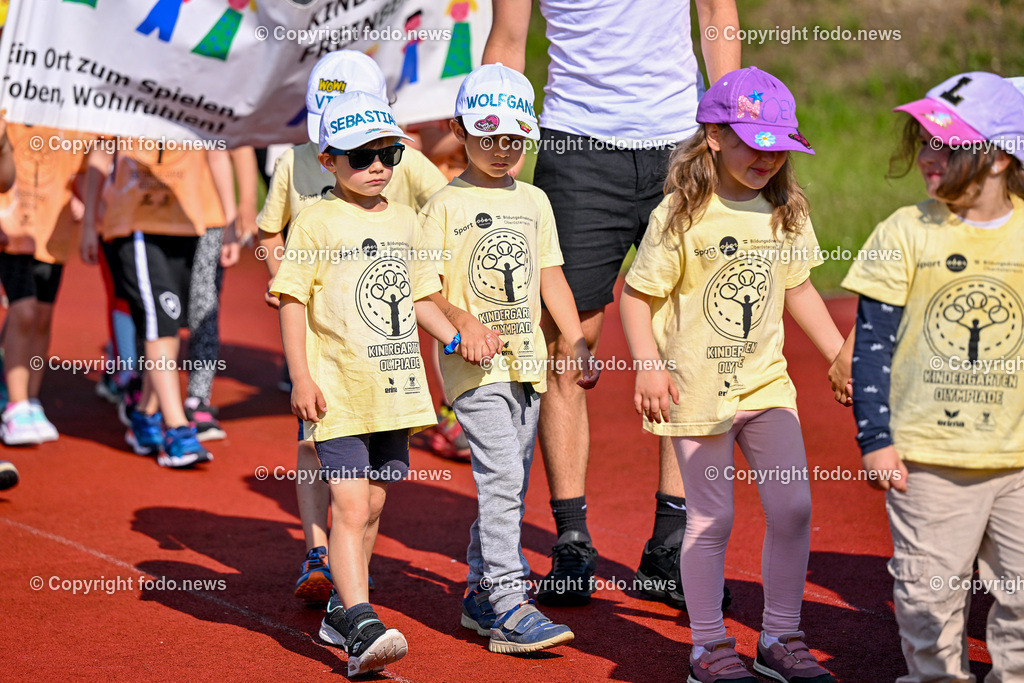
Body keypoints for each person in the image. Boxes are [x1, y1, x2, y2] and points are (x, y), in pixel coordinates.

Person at [482, 0, 741, 607]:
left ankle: (671, 545)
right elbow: (509, 39)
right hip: (577, 146)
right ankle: (571, 539)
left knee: (689, 341)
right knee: (567, 343)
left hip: (682, 143)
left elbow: (717, 12)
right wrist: (490, 159)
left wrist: (726, 127)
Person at [620, 67, 848, 683]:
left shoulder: (785, 211)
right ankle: (708, 647)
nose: (768, 159)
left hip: (767, 385)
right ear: (715, 136)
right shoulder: (680, 214)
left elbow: (799, 288)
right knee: (712, 519)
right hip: (696, 391)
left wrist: (838, 355)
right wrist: (648, 367)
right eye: (755, 144)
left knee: (793, 507)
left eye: (779, 147)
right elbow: (636, 297)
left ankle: (780, 638)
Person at [270, 90, 468, 677]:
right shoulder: (316, 220)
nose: (378, 166)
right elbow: (290, 300)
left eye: (388, 153)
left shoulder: (407, 220)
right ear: (328, 160)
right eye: (361, 156)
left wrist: (456, 338)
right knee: (352, 504)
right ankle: (360, 622)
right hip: (339, 392)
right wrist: (301, 377)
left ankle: (339, 608)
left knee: (375, 503)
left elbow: (421, 296)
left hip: (395, 395)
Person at [842, 72, 1024, 683]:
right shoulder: (904, 231)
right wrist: (876, 438)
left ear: (998, 158)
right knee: (929, 598)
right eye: (924, 141)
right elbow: (872, 347)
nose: (928, 156)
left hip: (1018, 463)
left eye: (947, 145)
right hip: (929, 461)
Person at [420, 63, 600, 654]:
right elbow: (422, 289)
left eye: (515, 139)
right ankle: (508, 601)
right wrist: (461, 326)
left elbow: (551, 277)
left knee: (511, 483)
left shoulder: (535, 201)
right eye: (489, 136)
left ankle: (478, 593)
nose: (502, 150)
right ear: (459, 131)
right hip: (473, 372)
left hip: (527, 367)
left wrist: (574, 342)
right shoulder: (442, 206)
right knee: (501, 476)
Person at [85, 143, 232, 468]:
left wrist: (231, 219)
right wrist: (88, 223)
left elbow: (218, 149)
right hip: (137, 224)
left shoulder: (199, 112)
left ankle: (144, 415)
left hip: (186, 221)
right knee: (160, 321)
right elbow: (100, 153)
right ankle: (177, 428)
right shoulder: (126, 109)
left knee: (169, 320)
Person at [0, 124, 86, 445]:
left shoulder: (74, 117)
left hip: (52, 229)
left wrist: (83, 199)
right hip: (12, 226)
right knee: (22, 311)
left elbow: (85, 167)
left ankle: (31, 401)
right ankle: (15, 405)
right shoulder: (11, 108)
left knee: (42, 316)